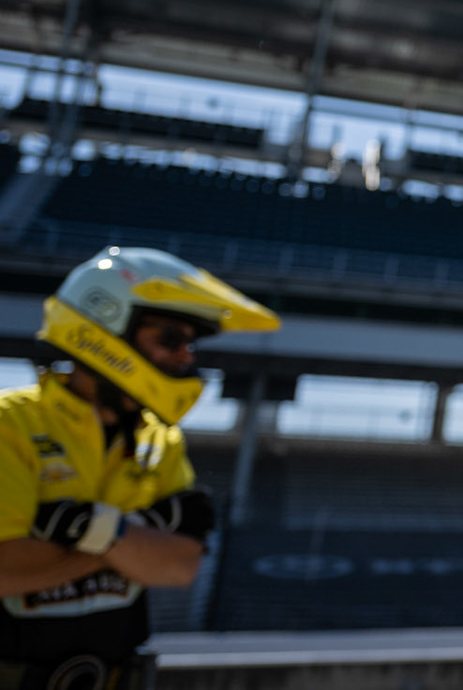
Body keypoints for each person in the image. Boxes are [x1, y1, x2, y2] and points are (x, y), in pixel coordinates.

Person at [0, 248, 278, 687]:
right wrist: (131, 540)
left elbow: (180, 566)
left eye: (190, 344)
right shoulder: (10, 423)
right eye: (170, 339)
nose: (185, 357)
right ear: (104, 322)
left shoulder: (159, 440)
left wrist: (90, 529)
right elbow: (5, 568)